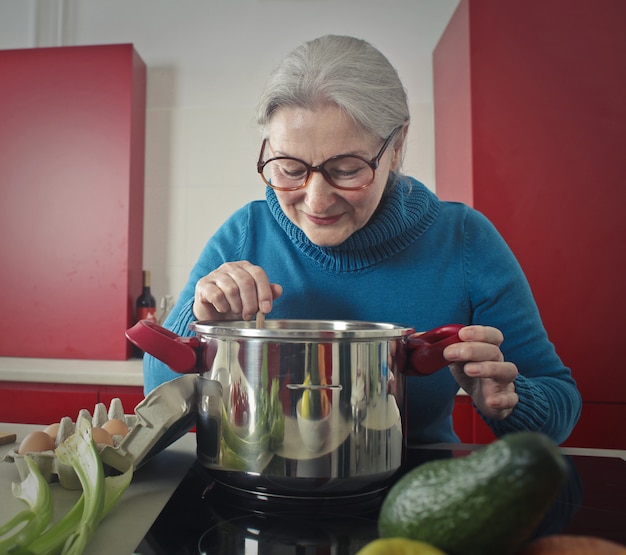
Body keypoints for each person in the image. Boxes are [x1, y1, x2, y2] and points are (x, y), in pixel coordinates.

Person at [144, 35, 581, 445]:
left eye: (347, 168)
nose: (316, 200)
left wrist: (512, 400)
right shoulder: (244, 234)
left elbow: (560, 402)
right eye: (290, 167)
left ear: (396, 146)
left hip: (414, 499)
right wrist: (196, 320)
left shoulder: (463, 241)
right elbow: (156, 404)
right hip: (260, 489)